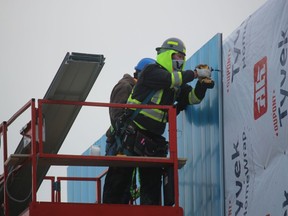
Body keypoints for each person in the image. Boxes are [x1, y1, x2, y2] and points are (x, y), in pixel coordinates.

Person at [104, 37, 214, 205]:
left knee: (152, 189)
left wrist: (202, 85)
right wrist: (195, 73)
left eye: (182, 57)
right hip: (133, 134)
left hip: (153, 141)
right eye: (176, 56)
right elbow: (169, 79)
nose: (180, 60)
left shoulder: (177, 85)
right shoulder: (151, 72)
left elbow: (192, 98)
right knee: (119, 184)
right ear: (166, 55)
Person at [103, 57, 155, 204]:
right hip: (119, 142)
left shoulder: (136, 89)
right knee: (117, 184)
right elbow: (117, 115)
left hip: (128, 142)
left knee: (124, 187)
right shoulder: (125, 86)